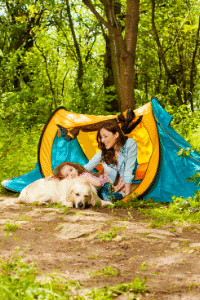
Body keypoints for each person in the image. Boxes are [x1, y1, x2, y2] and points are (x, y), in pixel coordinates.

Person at [84, 119, 138, 201]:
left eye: (105, 136)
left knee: (107, 197)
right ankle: (101, 195)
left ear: (116, 135)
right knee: (96, 189)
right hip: (106, 185)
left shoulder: (130, 144)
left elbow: (128, 171)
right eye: (101, 137)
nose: (102, 140)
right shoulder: (104, 150)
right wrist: (72, 172)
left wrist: (127, 197)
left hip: (123, 187)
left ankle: (113, 196)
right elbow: (89, 166)